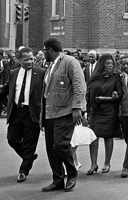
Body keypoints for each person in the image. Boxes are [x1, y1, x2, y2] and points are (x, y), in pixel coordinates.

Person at [0, 47, 45, 183]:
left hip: (32, 113)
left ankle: (23, 171)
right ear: (20, 60)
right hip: (16, 112)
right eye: (26, 59)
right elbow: (6, 88)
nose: (30, 61)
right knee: (12, 139)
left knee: (29, 144)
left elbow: (45, 95)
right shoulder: (14, 73)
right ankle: (29, 157)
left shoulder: (42, 73)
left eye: (32, 58)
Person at [41, 38, 87, 192]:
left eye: (44, 50)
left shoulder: (69, 61)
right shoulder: (50, 66)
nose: (43, 53)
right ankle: (57, 180)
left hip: (66, 111)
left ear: (50, 50)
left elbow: (79, 85)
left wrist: (77, 107)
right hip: (50, 112)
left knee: (60, 145)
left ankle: (72, 173)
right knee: (51, 148)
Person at [86, 53, 123, 175]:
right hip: (95, 111)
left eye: (112, 63)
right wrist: (86, 111)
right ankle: (93, 164)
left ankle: (107, 163)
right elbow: (88, 94)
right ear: (102, 64)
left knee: (108, 137)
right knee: (93, 137)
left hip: (109, 111)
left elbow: (119, 94)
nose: (110, 66)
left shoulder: (116, 77)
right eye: (107, 63)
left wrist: (111, 97)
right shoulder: (94, 77)